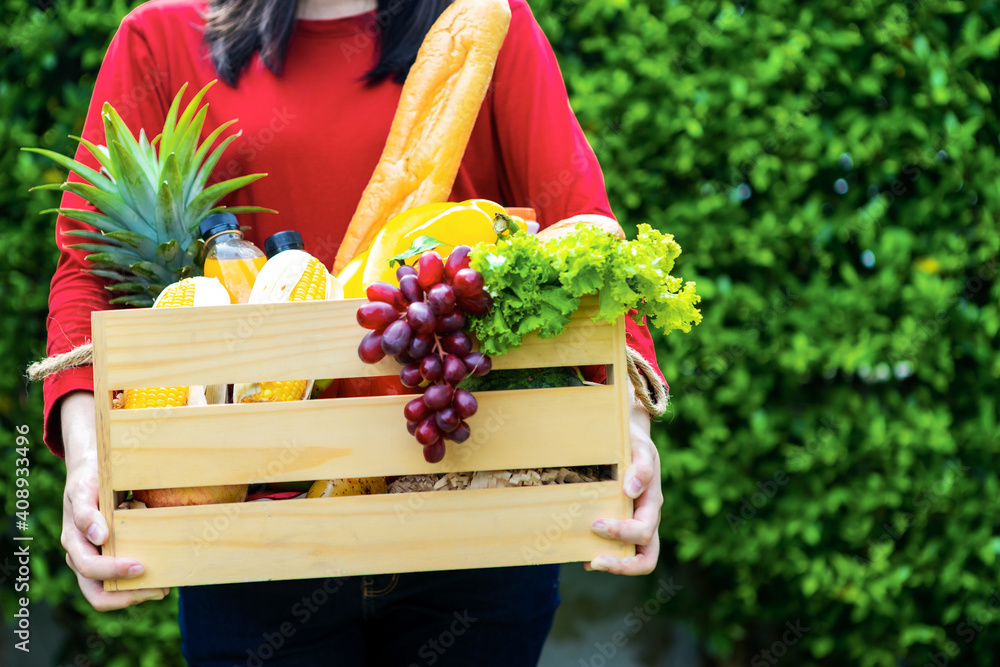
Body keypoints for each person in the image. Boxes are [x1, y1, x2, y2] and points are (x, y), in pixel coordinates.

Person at [44, 0, 667, 664]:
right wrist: (87, 463)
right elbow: (87, 271)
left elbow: (588, 236)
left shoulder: (490, 19)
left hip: (469, 508)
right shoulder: (163, 38)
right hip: (249, 537)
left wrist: (629, 427)